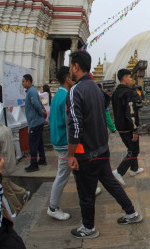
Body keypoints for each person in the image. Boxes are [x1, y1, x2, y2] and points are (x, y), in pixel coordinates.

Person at [67, 51, 142, 239]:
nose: (70, 69)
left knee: (86, 192)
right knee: (110, 183)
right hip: (102, 148)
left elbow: (75, 125)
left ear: (76, 66)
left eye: (70, 66)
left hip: (86, 152)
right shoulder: (97, 89)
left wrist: (71, 154)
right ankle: (131, 212)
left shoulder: (76, 90)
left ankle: (88, 228)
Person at [0, 105, 29, 215]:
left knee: (6, 190)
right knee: (7, 183)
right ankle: (23, 192)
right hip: (10, 162)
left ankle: (18, 208)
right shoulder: (6, 129)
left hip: (2, 165)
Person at [47, 67, 78, 220]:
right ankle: (53, 207)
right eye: (73, 77)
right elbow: (68, 123)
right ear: (67, 79)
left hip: (58, 138)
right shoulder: (66, 97)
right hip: (65, 141)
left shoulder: (58, 95)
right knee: (63, 175)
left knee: (79, 168)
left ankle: (89, 189)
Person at [111, 69, 144, 187]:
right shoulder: (128, 92)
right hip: (129, 127)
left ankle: (134, 169)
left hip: (120, 126)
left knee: (131, 149)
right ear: (124, 78)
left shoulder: (115, 92)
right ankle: (119, 171)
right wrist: (135, 130)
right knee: (134, 151)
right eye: (130, 77)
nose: (131, 80)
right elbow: (131, 113)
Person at [22, 74, 47, 172]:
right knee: (39, 142)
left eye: (23, 81)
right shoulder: (32, 91)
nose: (22, 83)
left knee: (32, 143)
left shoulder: (31, 92)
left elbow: (36, 104)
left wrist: (42, 112)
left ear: (28, 81)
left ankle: (33, 164)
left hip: (35, 121)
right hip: (37, 120)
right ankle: (42, 159)